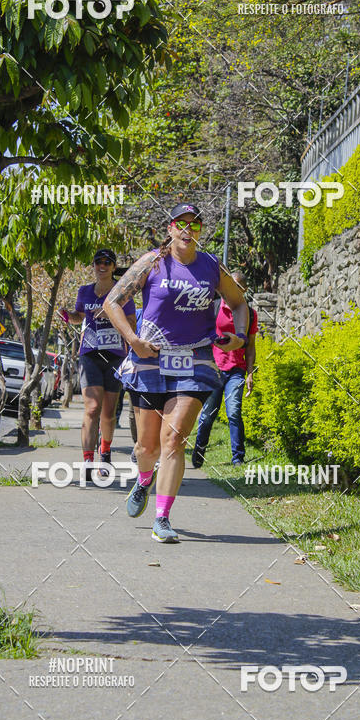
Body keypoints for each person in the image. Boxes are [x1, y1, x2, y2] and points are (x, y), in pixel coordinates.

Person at [103, 203, 249, 543]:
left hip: (195, 358)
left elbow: (239, 302)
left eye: (195, 225)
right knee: (146, 447)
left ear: (200, 231)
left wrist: (238, 338)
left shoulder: (211, 265)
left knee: (175, 438)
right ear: (169, 228)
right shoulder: (152, 262)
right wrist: (133, 340)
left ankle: (162, 517)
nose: (188, 230)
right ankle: (143, 479)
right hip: (150, 356)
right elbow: (112, 301)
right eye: (181, 224)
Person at [59, 249, 136, 479]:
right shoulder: (85, 291)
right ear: (93, 265)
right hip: (90, 354)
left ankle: (105, 452)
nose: (101, 266)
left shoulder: (122, 292)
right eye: (98, 262)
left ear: (113, 267)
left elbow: (131, 322)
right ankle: (87, 462)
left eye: (107, 262)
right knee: (92, 408)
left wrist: (113, 316)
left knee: (109, 413)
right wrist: (66, 315)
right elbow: (78, 316)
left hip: (114, 356)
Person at [192, 270, 258, 467]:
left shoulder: (249, 314)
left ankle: (238, 457)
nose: (232, 289)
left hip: (236, 371)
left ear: (244, 290)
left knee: (234, 413)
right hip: (214, 369)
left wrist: (250, 372)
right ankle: (199, 450)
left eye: (237, 286)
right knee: (207, 415)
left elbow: (251, 345)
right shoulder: (213, 308)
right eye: (230, 284)